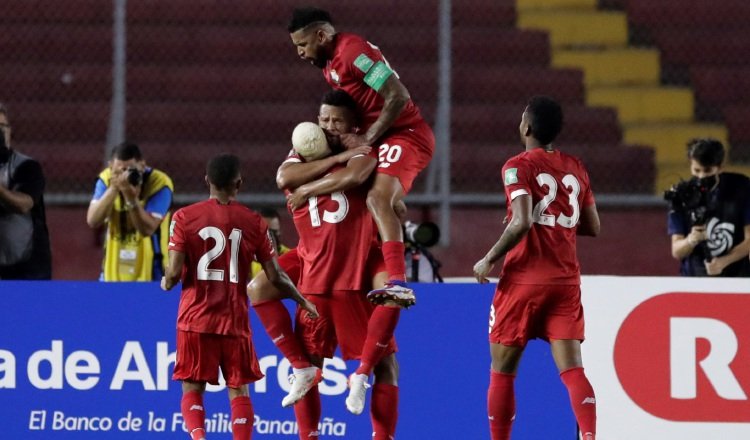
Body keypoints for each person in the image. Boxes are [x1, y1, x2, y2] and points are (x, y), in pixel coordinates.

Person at [249, 90, 401, 439]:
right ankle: (308, 418)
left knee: (385, 364)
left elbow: (356, 174)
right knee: (260, 290)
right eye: (324, 119)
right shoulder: (305, 149)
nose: (328, 127)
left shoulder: (364, 150)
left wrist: (315, 182)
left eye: (337, 121)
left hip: (352, 266)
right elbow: (285, 178)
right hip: (315, 263)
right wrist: (343, 155)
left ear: (353, 124)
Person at [161, 153, 315, 440]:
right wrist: (302, 300)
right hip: (234, 320)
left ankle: (198, 437)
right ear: (239, 184)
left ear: (206, 180)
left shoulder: (184, 217)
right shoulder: (255, 223)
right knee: (239, 389)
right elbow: (276, 276)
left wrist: (166, 282)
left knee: (192, 386)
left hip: (195, 318)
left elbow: (172, 274)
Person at [288, 7, 435, 306]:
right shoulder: (329, 66)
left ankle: (397, 281)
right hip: (380, 136)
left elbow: (398, 95)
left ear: (321, 35)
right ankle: (394, 216)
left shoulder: (354, 53)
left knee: (376, 199)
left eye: (303, 44)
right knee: (369, 196)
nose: (301, 52)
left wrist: (366, 138)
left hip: (405, 134)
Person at [473, 96, 600, 440]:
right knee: (573, 369)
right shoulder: (576, 166)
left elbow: (522, 222)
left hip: (523, 280)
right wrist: (555, 223)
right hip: (565, 280)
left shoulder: (517, 166)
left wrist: (489, 258)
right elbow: (592, 226)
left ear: (526, 127)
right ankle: (589, 435)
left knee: (502, 371)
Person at [86, 141, 173, 281]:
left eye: (130, 170)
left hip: (153, 272)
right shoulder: (106, 179)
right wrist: (114, 188)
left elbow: (148, 229)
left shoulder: (159, 183)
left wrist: (131, 199)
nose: (125, 175)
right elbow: (93, 220)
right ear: (111, 166)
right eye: (120, 170)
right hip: (111, 272)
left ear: (142, 165)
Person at [667, 138, 750, 276]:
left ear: (720, 167)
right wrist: (691, 240)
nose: (702, 176)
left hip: (736, 278)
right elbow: (676, 251)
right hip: (694, 279)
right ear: (690, 166)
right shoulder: (682, 196)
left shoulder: (741, 188)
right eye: (697, 170)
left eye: (707, 170)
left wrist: (723, 262)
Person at [0, 102, 52, 279]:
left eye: (2, 126)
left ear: (10, 130)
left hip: (26, 269)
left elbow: (24, 204)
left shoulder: (26, 166)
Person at [250, 207, 291, 278]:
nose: (270, 237)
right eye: (265, 232)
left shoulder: (289, 256)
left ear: (279, 232)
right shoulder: (250, 257)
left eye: (273, 232)